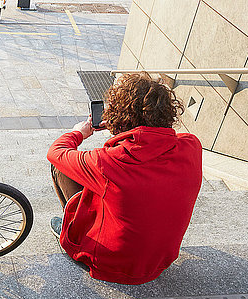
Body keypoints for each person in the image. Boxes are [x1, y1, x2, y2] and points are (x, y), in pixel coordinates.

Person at [47, 72, 202, 285]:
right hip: (159, 262)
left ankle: (72, 226)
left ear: (118, 116)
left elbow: (56, 153)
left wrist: (78, 133)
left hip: (111, 264)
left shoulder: (108, 162)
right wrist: (125, 132)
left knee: (63, 168)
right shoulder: (191, 146)